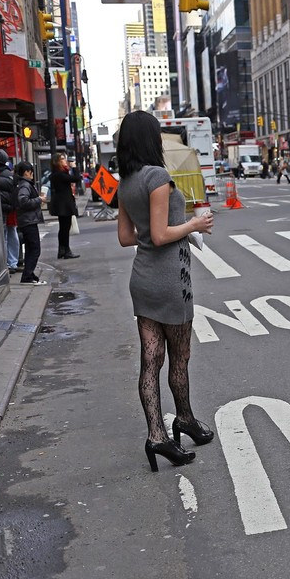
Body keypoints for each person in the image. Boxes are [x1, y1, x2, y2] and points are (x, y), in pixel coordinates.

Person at [115, 110, 216, 472]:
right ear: (150, 139)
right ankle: (184, 420)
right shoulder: (157, 176)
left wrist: (155, 228)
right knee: (180, 356)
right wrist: (194, 224)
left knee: (150, 361)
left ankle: (157, 435)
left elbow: (126, 237)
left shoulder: (126, 183)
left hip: (142, 279)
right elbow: (160, 236)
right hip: (171, 279)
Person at [13, 161, 46, 285]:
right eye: (30, 171)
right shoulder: (25, 185)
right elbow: (23, 201)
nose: (32, 173)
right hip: (28, 221)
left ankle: (29, 274)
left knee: (30, 248)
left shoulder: (22, 184)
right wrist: (39, 199)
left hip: (27, 220)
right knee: (34, 249)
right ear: (26, 172)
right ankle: (27, 275)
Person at [48, 153, 82, 259]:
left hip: (62, 204)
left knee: (63, 228)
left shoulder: (57, 174)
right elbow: (76, 178)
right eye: (62, 159)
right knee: (65, 228)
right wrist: (75, 168)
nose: (65, 161)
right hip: (64, 204)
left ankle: (62, 250)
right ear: (57, 162)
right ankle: (66, 250)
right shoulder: (60, 174)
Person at [0, 150, 20, 274]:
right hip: (11, 209)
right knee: (12, 233)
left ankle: (5, 263)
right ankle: (13, 262)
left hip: (0, 209)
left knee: (4, 236)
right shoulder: (11, 175)